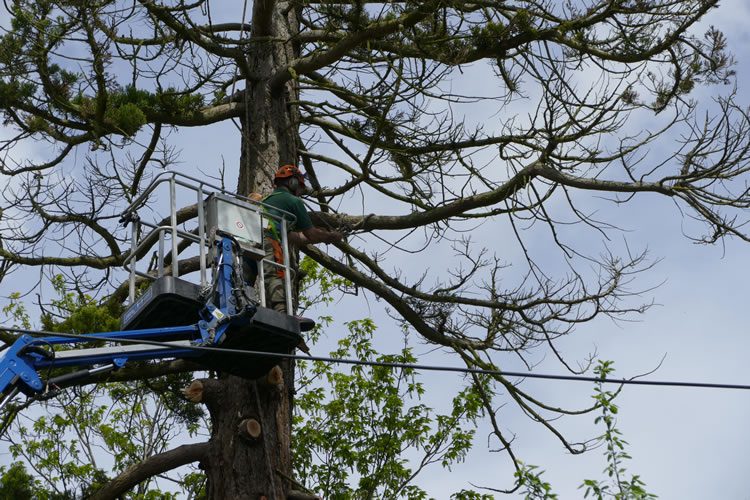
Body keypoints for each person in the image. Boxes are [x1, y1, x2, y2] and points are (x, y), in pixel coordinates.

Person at [259, 164, 342, 314]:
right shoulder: (293, 201)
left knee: (252, 275)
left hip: (253, 241)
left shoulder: (268, 201)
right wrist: (330, 236)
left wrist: (321, 235)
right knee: (276, 275)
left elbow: (295, 237)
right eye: (300, 186)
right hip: (270, 242)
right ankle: (282, 312)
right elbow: (310, 234)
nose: (301, 192)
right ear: (293, 183)